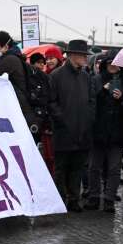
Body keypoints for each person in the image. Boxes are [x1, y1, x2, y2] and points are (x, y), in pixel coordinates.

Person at [49, 39, 95, 212]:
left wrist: (88, 120)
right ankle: (60, 199)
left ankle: (74, 199)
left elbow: (92, 101)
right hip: (63, 131)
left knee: (77, 168)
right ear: (73, 56)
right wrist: (62, 120)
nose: (85, 58)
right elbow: (51, 102)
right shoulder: (56, 75)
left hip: (83, 131)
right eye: (83, 55)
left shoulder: (86, 76)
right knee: (61, 169)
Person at [85, 50, 123, 213]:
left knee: (114, 168)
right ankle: (93, 197)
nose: (113, 65)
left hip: (118, 131)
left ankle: (109, 199)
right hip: (98, 130)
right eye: (110, 62)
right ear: (105, 63)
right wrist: (102, 92)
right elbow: (90, 102)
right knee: (94, 166)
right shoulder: (96, 80)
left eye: (116, 62)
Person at [0, 31, 39, 140]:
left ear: (6, 46)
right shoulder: (13, 57)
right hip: (22, 107)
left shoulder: (10, 60)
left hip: (21, 108)